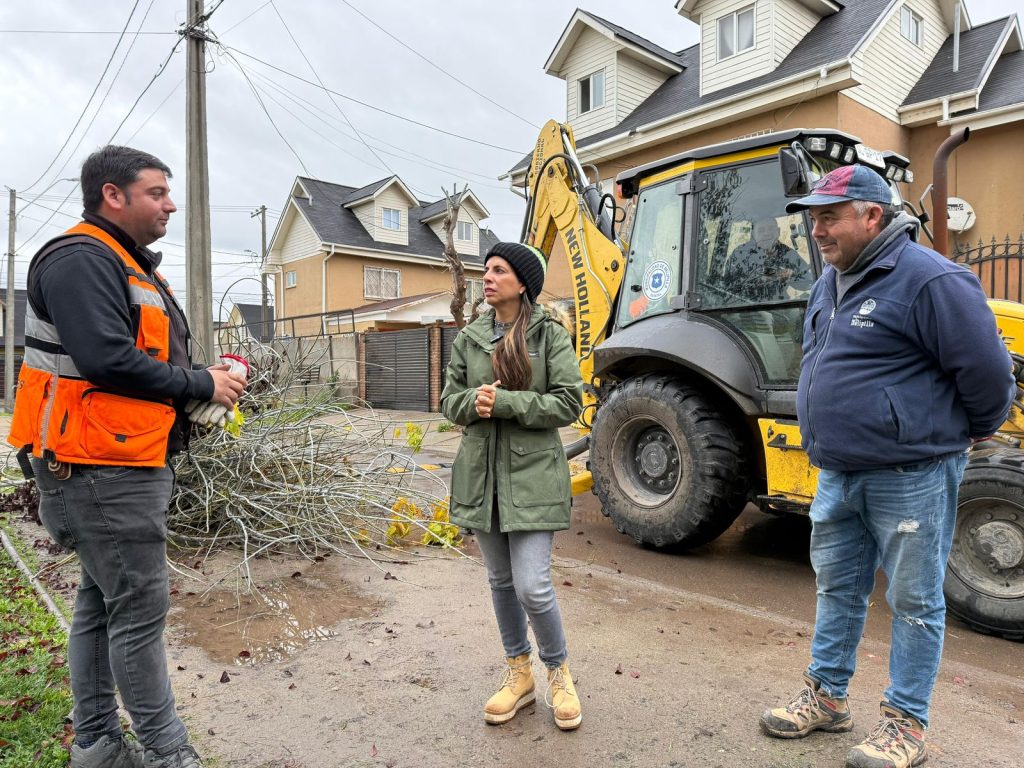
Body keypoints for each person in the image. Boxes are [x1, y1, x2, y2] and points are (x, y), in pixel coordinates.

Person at [759, 164, 1015, 768]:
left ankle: (906, 723)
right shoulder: (832, 279)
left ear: (872, 216)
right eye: (812, 217)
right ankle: (827, 698)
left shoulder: (930, 280)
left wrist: (958, 432)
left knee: (915, 599)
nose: (816, 230)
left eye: (829, 217)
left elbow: (989, 377)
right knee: (838, 588)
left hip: (911, 474)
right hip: (839, 470)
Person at [7, 146, 247, 768]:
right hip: (99, 470)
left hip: (107, 463)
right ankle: (169, 754)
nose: (170, 205)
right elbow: (106, 359)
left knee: (100, 601)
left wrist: (198, 376)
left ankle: (98, 746)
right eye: (158, 192)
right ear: (113, 195)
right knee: (139, 609)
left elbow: (133, 360)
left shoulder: (118, 262)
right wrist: (201, 385)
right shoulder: (83, 259)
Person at [441, 241, 584, 731]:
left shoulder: (550, 336)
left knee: (533, 585)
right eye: (486, 269)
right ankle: (518, 672)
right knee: (501, 583)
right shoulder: (470, 337)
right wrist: (472, 403)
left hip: (533, 476)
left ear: (522, 283)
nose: (488, 276)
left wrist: (507, 404)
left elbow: (568, 403)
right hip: (482, 476)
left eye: (498, 270)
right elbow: (447, 401)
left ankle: (557, 671)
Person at [724, 215, 811, 301]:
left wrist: (792, 276)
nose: (766, 233)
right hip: (742, 306)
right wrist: (770, 274)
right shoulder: (740, 253)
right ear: (753, 234)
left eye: (771, 229)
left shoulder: (788, 254)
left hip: (779, 307)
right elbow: (728, 284)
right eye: (761, 230)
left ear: (778, 231)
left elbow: (808, 282)